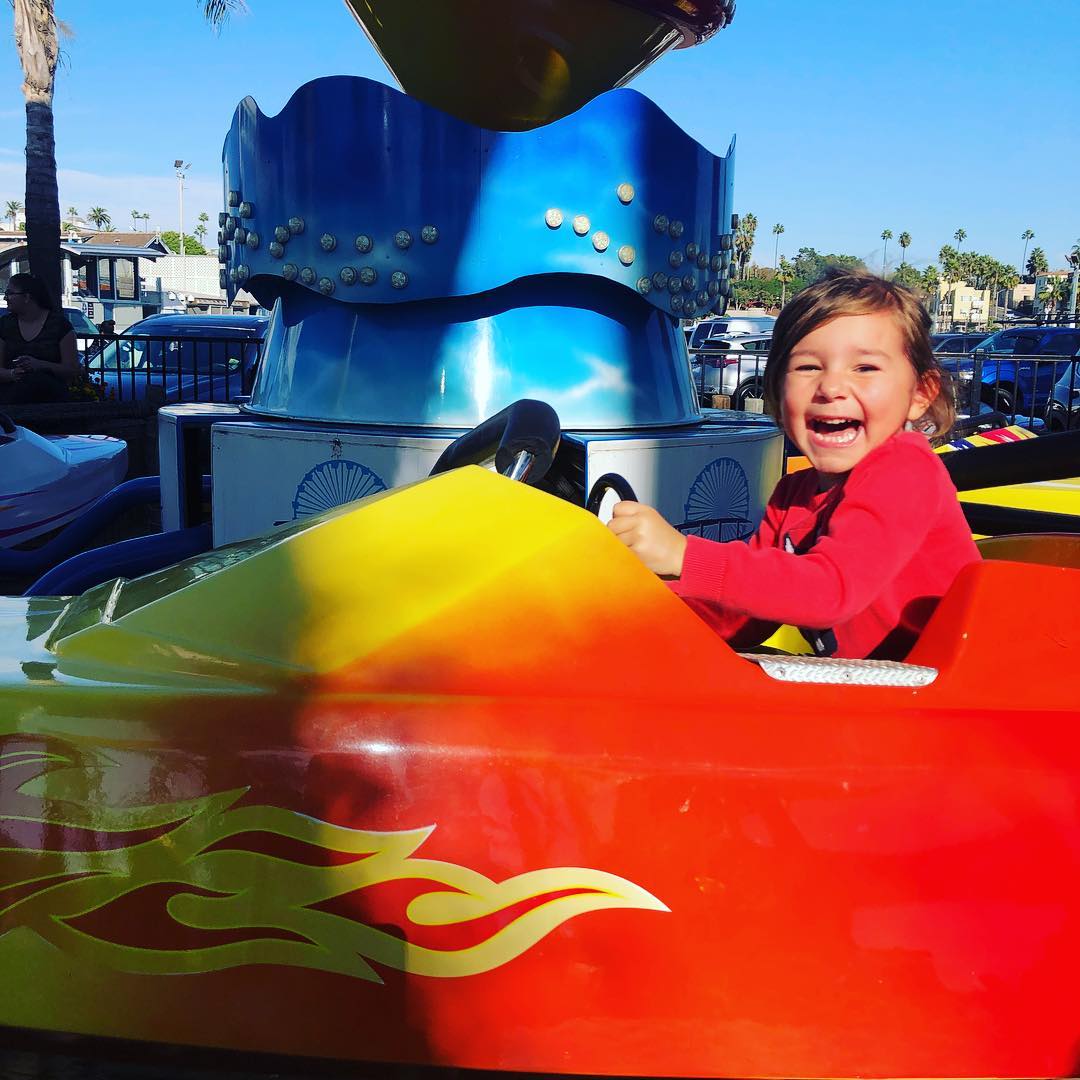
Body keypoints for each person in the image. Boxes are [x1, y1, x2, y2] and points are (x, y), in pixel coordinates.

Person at [608, 269, 981, 661]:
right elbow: (738, 617)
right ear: (777, 392)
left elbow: (830, 591)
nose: (831, 387)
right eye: (808, 367)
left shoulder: (905, 469)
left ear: (920, 394)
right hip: (872, 694)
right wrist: (635, 611)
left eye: (865, 368)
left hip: (953, 699)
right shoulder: (793, 495)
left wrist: (684, 555)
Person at [0, 272, 80, 404]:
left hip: (51, 400)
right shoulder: (4, 325)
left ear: (27, 297)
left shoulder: (60, 326)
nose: (6, 298)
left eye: (10, 293)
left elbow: (72, 369)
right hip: (11, 400)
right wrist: (13, 374)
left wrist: (39, 365)